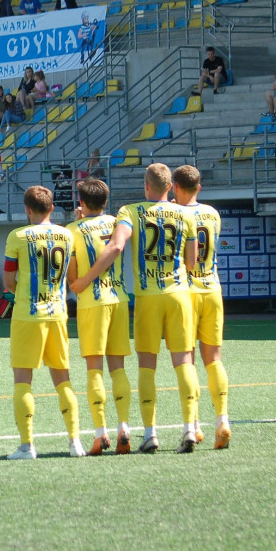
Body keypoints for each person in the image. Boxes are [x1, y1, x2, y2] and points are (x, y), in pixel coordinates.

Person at [71, 163, 200, 455]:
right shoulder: (185, 214)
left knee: (147, 366)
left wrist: (85, 280)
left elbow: (116, 246)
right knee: (184, 363)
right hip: (179, 294)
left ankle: (150, 434)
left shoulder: (131, 211)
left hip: (147, 296)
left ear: (146, 185)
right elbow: (192, 263)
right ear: (170, 186)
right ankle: (190, 428)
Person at [4, 186, 84, 460]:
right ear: (51, 208)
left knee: (23, 381)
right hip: (58, 314)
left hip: (28, 315)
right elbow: (71, 276)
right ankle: (75, 443)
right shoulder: (66, 235)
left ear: (27, 209)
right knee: (63, 380)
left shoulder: (17, 236)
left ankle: (27, 446)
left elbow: (7, 282)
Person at [66, 178, 133, 456]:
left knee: (94, 369)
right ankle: (124, 427)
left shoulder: (71, 230)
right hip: (119, 299)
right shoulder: (117, 223)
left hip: (92, 303)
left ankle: (100, 433)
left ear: (80, 202)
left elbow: (73, 278)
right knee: (118, 368)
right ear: (106, 201)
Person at [172, 165, 232, 450]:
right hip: (213, 288)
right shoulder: (213, 213)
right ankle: (222, 419)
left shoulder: (178, 214)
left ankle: (194, 425)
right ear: (200, 186)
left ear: (175, 187)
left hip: (188, 291)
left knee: (188, 359)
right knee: (214, 359)